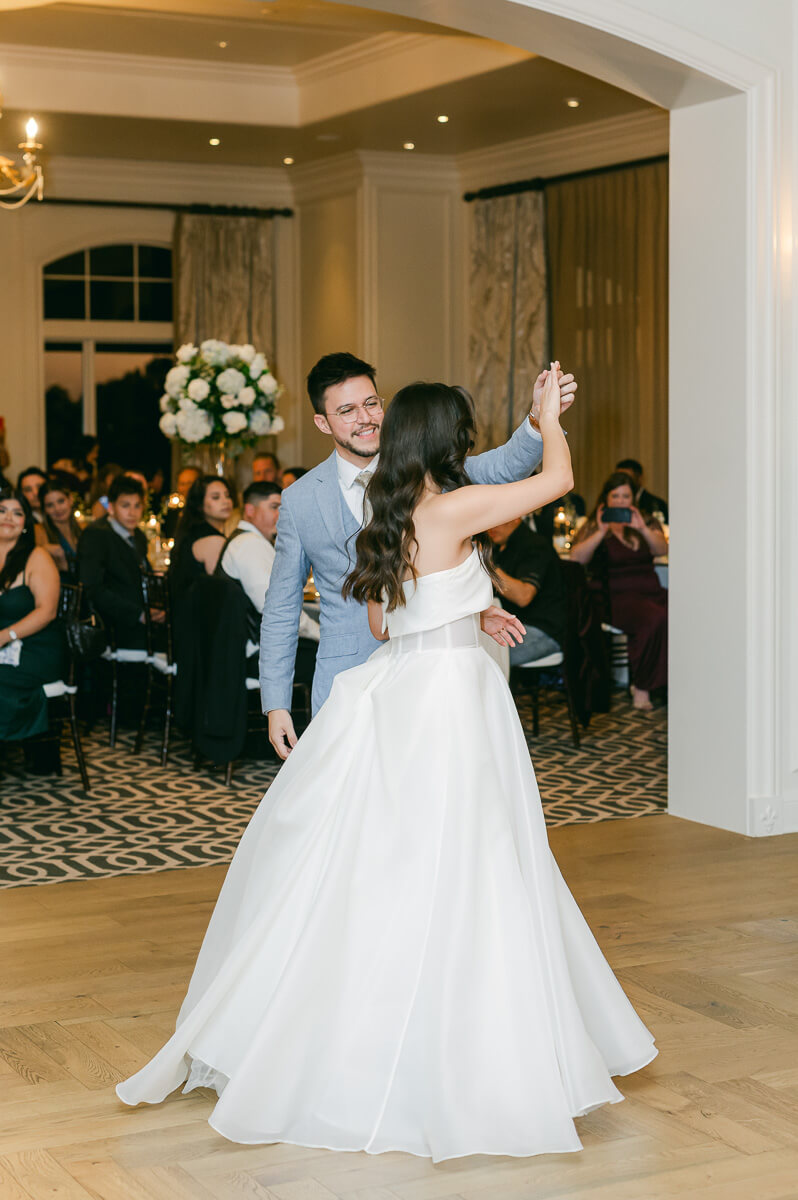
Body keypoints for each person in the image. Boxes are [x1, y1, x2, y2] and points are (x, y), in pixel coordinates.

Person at [116, 368, 656, 1159]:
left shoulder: (393, 518)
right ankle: (462, 1049)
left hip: (400, 689)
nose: (363, 415)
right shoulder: (443, 506)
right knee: (470, 862)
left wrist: (471, 609)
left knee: (392, 869)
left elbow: (380, 615)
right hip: (451, 704)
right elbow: (560, 479)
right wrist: (545, 415)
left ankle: (349, 1029)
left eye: (374, 405)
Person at [261, 351, 578, 756]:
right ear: (322, 422)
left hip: (428, 682)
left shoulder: (433, 474)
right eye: (347, 410)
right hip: (348, 676)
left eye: (372, 403)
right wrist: (276, 703)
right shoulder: (301, 499)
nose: (366, 418)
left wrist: (537, 420)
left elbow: (502, 468)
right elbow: (281, 607)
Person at [570, 471, 668, 710]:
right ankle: (642, 686)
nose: (622, 501)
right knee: (654, 619)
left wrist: (643, 528)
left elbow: (660, 549)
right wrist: (601, 532)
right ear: (607, 498)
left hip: (651, 591)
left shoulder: (644, 521)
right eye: (617, 496)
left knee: (683, 611)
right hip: (612, 598)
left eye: (626, 495)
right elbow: (576, 558)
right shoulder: (594, 524)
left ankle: (674, 682)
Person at [218, 481, 319, 690]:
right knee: (338, 656)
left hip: (254, 651)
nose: (281, 515)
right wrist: (320, 632)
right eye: (274, 507)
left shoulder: (247, 542)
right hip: (258, 657)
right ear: (249, 510)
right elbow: (277, 608)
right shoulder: (249, 546)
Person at [0, 488, 64, 757]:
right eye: (2, 511)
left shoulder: (37, 557)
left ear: (26, 523)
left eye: (18, 513)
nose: (9, 518)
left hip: (34, 648)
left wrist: (5, 636)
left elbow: (47, 612)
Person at [77, 474, 152, 649]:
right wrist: (137, 614)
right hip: (112, 627)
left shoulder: (138, 536)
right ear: (111, 508)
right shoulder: (96, 535)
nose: (132, 513)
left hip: (141, 617)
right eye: (125, 506)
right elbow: (92, 588)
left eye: (137, 506)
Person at [488, 515, 565, 665]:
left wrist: (487, 565)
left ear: (516, 516)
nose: (490, 527)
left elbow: (523, 596)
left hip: (545, 628)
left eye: (496, 520)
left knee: (487, 655)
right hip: (514, 623)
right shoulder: (498, 547)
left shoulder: (535, 545)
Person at [168, 475, 234, 614]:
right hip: (197, 621)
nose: (225, 501)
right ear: (200, 505)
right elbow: (219, 593)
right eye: (216, 497)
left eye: (227, 495)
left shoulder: (191, 531)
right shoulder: (212, 539)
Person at [38, 477, 82, 579]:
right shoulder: (40, 531)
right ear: (44, 509)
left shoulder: (83, 528)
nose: (57, 509)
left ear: (70, 500)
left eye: (61, 501)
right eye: (50, 505)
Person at [615, 458, 668, 522]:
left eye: (628, 478)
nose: (622, 482)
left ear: (639, 478)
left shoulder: (655, 504)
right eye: (618, 478)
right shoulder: (613, 502)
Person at [160, 465, 201, 539]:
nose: (186, 488)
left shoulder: (205, 511)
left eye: (190, 483)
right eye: (182, 484)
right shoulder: (174, 510)